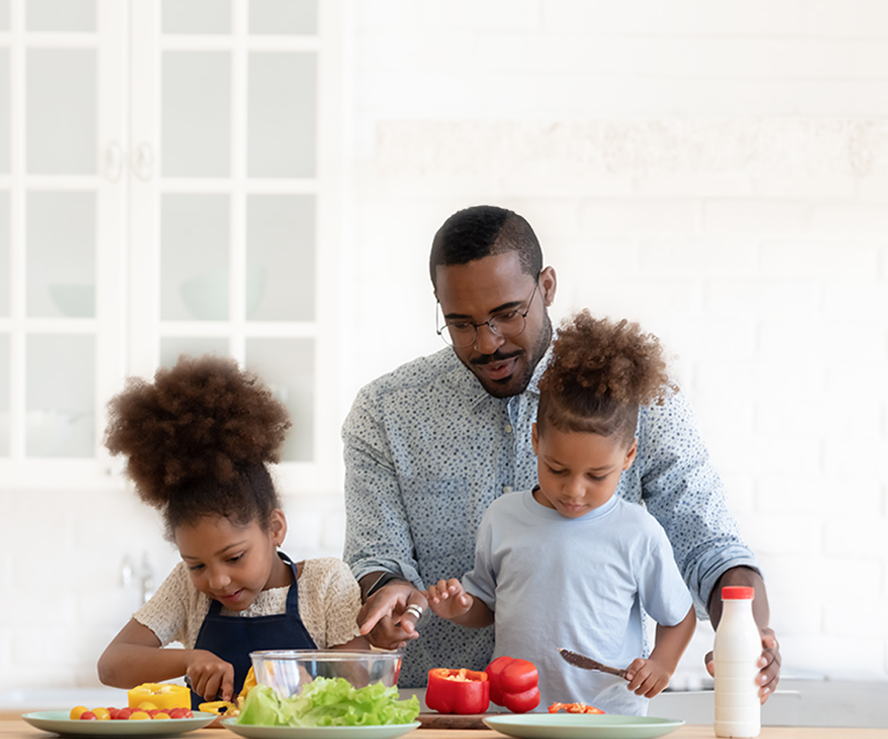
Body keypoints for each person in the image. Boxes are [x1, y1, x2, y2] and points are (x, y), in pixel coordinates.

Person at [343, 204, 781, 695]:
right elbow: (376, 555)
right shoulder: (386, 412)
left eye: (508, 314)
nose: (487, 343)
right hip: (435, 707)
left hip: (590, 716)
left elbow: (709, 546)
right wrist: (386, 592)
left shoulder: (638, 400)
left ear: (546, 286)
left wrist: (750, 630)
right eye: (461, 323)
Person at [424, 312, 696, 712]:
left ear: (629, 456)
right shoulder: (502, 519)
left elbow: (679, 616)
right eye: (557, 469)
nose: (574, 490)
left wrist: (661, 663)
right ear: (535, 440)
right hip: (518, 717)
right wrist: (460, 608)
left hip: (609, 719)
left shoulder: (637, 532)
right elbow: (487, 604)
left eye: (597, 475)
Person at [99, 355, 367, 702]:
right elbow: (111, 665)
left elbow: (362, 681)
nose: (217, 580)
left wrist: (309, 680)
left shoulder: (325, 584)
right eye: (197, 564)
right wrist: (191, 658)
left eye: (234, 557)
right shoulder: (187, 589)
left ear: (274, 527)